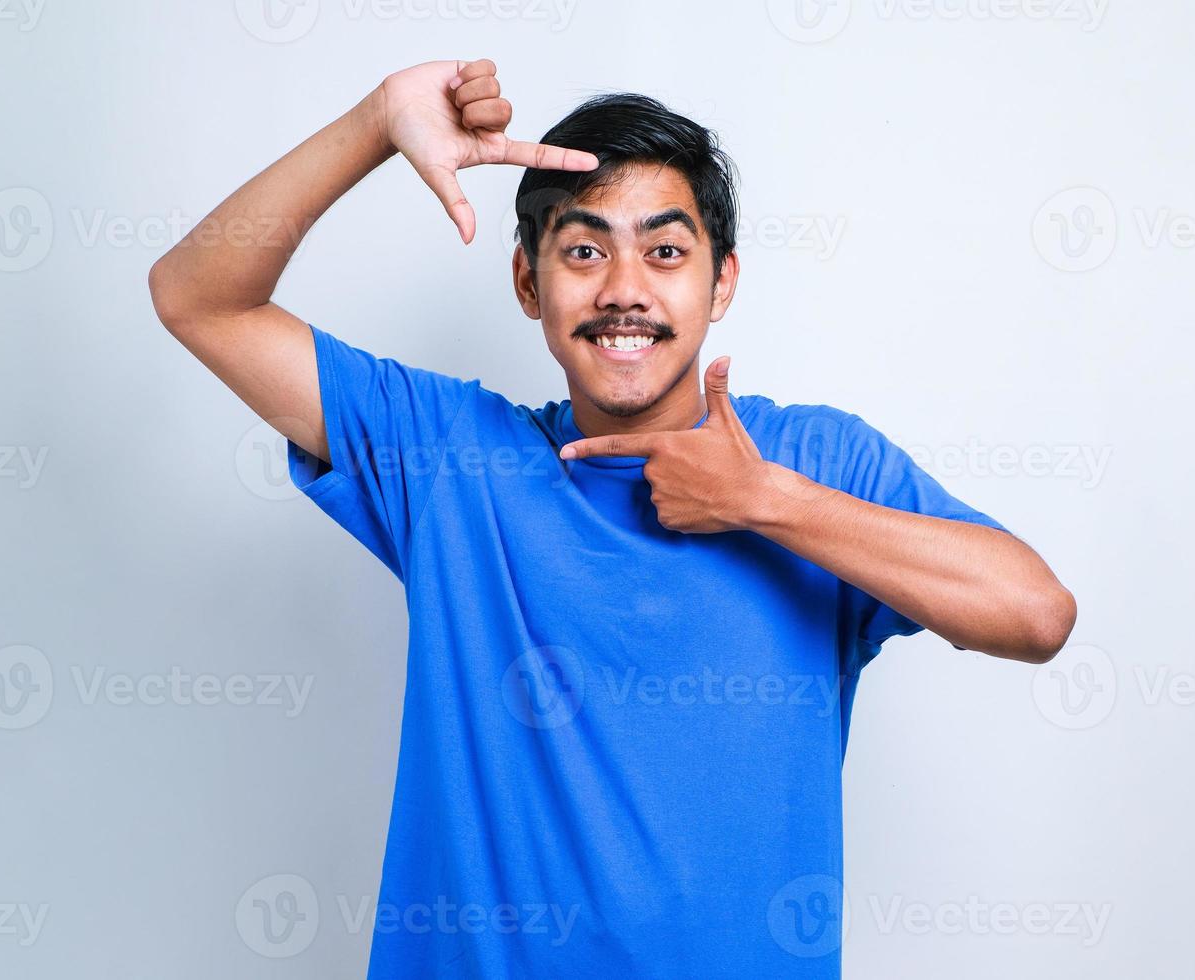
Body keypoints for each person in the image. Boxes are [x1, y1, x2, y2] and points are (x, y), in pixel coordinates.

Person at [148, 57, 1076, 979]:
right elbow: (198, 298)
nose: (624, 288)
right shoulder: (450, 462)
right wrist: (377, 121)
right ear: (528, 283)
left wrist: (761, 501)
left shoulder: (812, 464)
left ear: (721, 284)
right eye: (585, 250)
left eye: (665, 251)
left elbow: (1036, 613)